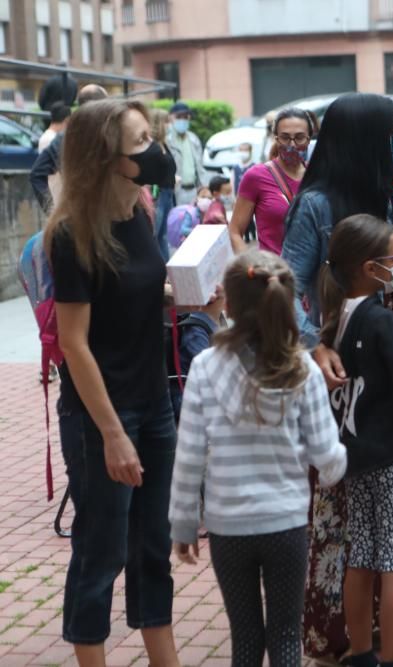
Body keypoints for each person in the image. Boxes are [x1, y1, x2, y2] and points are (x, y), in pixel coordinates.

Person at [280, 93, 393, 663]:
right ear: (365, 139)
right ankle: (351, 639)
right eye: (389, 135)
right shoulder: (316, 204)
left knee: (371, 533)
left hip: (387, 376)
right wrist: (315, 347)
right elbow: (286, 285)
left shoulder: (390, 192)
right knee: (348, 524)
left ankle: (375, 639)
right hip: (341, 372)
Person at [45, 98, 181, 666]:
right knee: (101, 551)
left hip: (154, 404)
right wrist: (111, 435)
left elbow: (140, 292)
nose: (156, 151)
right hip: (102, 415)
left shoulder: (141, 215)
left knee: (153, 548)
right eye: (141, 142)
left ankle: (164, 658)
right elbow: (74, 343)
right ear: (106, 158)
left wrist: (188, 294)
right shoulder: (73, 233)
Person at [169, 250, 348, 667]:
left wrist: (182, 524)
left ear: (227, 303)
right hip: (285, 524)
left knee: (244, 637)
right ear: (289, 303)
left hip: (227, 528)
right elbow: (327, 455)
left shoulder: (204, 367)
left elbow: (189, 454)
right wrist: (339, 464)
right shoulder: (301, 368)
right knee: (286, 634)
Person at [319, 215, 393, 667]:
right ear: (370, 267)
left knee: (360, 554)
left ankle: (361, 652)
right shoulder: (384, 321)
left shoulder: (335, 321)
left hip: (354, 455)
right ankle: (390, 659)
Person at [230, 108, 313, 254]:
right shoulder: (256, 176)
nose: (292, 144)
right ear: (275, 138)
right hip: (273, 273)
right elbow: (235, 232)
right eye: (285, 137)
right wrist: (252, 267)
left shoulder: (318, 175)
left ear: (309, 138)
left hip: (312, 274)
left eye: (299, 137)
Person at [30, 84, 109, 211]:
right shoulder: (114, 133)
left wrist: (51, 210)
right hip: (105, 212)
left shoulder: (65, 137)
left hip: (76, 211)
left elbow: (36, 174)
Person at [166, 102, 210, 206]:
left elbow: (200, 167)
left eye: (185, 117)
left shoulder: (193, 139)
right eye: (179, 117)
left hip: (194, 190)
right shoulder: (167, 140)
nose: (183, 120)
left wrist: (204, 187)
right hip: (175, 191)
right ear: (171, 118)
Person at [148, 108, 177, 261]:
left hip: (168, 193)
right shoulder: (151, 146)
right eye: (166, 122)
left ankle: (165, 271)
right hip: (158, 195)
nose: (169, 125)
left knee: (164, 236)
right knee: (156, 234)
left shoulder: (164, 144)